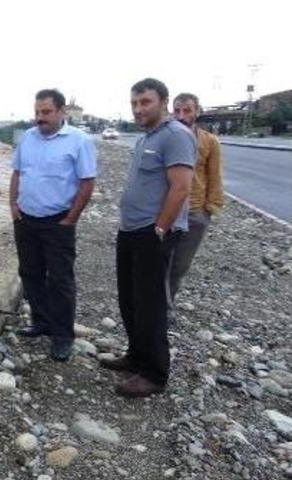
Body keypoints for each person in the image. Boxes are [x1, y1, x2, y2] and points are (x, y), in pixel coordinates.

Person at [100, 78, 195, 397]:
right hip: (131, 230)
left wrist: (159, 228)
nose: (138, 109)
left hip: (152, 234)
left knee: (150, 304)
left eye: (145, 102)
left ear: (163, 102)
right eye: (134, 103)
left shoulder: (176, 135)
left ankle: (154, 374)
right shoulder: (145, 138)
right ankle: (136, 356)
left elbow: (180, 187)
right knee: (130, 299)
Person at [9, 88, 97, 362]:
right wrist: (13, 205)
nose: (40, 118)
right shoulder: (27, 138)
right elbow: (17, 172)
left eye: (46, 112)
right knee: (30, 273)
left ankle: (62, 337)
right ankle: (41, 322)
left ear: (61, 112)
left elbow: (87, 182)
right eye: (37, 112)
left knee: (60, 280)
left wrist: (71, 218)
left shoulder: (79, 141)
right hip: (26, 218)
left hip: (57, 221)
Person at [169, 92, 224, 301]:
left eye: (187, 110)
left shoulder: (209, 142)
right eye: (177, 110)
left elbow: (215, 175)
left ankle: (166, 305)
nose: (181, 115)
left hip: (194, 212)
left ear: (197, 112)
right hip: (165, 211)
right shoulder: (166, 137)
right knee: (158, 261)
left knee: (179, 266)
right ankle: (154, 307)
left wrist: (208, 210)